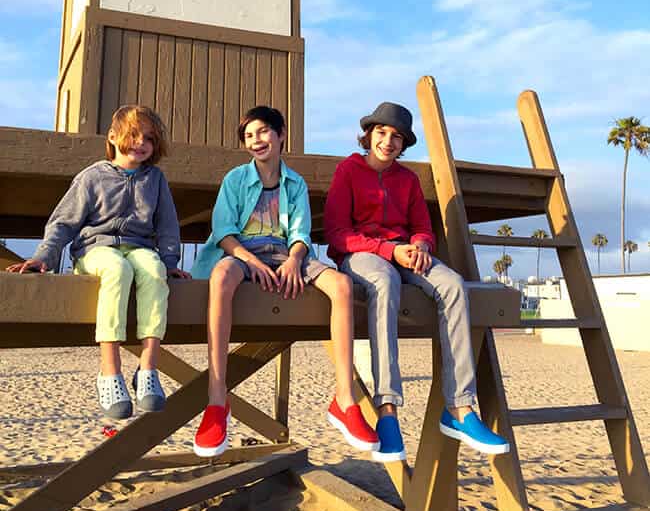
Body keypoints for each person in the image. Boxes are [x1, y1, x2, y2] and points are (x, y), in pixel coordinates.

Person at [324, 102, 510, 461]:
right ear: (369, 135)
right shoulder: (347, 170)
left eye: (396, 137)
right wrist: (389, 252)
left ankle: (459, 409)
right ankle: (387, 412)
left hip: (406, 253)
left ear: (403, 144)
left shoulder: (407, 179)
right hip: (362, 255)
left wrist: (421, 245)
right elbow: (337, 235)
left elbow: (422, 227)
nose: (388, 141)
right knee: (383, 280)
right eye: (381, 133)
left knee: (455, 285)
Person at [191, 105, 378, 458]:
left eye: (262, 132)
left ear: (280, 135)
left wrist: (294, 260)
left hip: (285, 253)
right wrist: (250, 262)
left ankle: (344, 399)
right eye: (248, 136)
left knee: (340, 286)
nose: (256, 140)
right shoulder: (234, 180)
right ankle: (217, 400)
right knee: (221, 276)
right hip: (244, 254)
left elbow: (301, 231)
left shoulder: (295, 183)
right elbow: (224, 233)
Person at [8, 105, 190, 419]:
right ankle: (110, 372)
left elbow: (167, 226)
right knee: (117, 270)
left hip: (139, 248)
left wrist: (170, 260)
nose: (140, 142)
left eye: (148, 137)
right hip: (97, 250)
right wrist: (43, 257)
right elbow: (64, 223)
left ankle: (148, 369)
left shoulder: (156, 180)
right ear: (113, 136)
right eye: (133, 134)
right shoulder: (92, 176)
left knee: (154, 269)